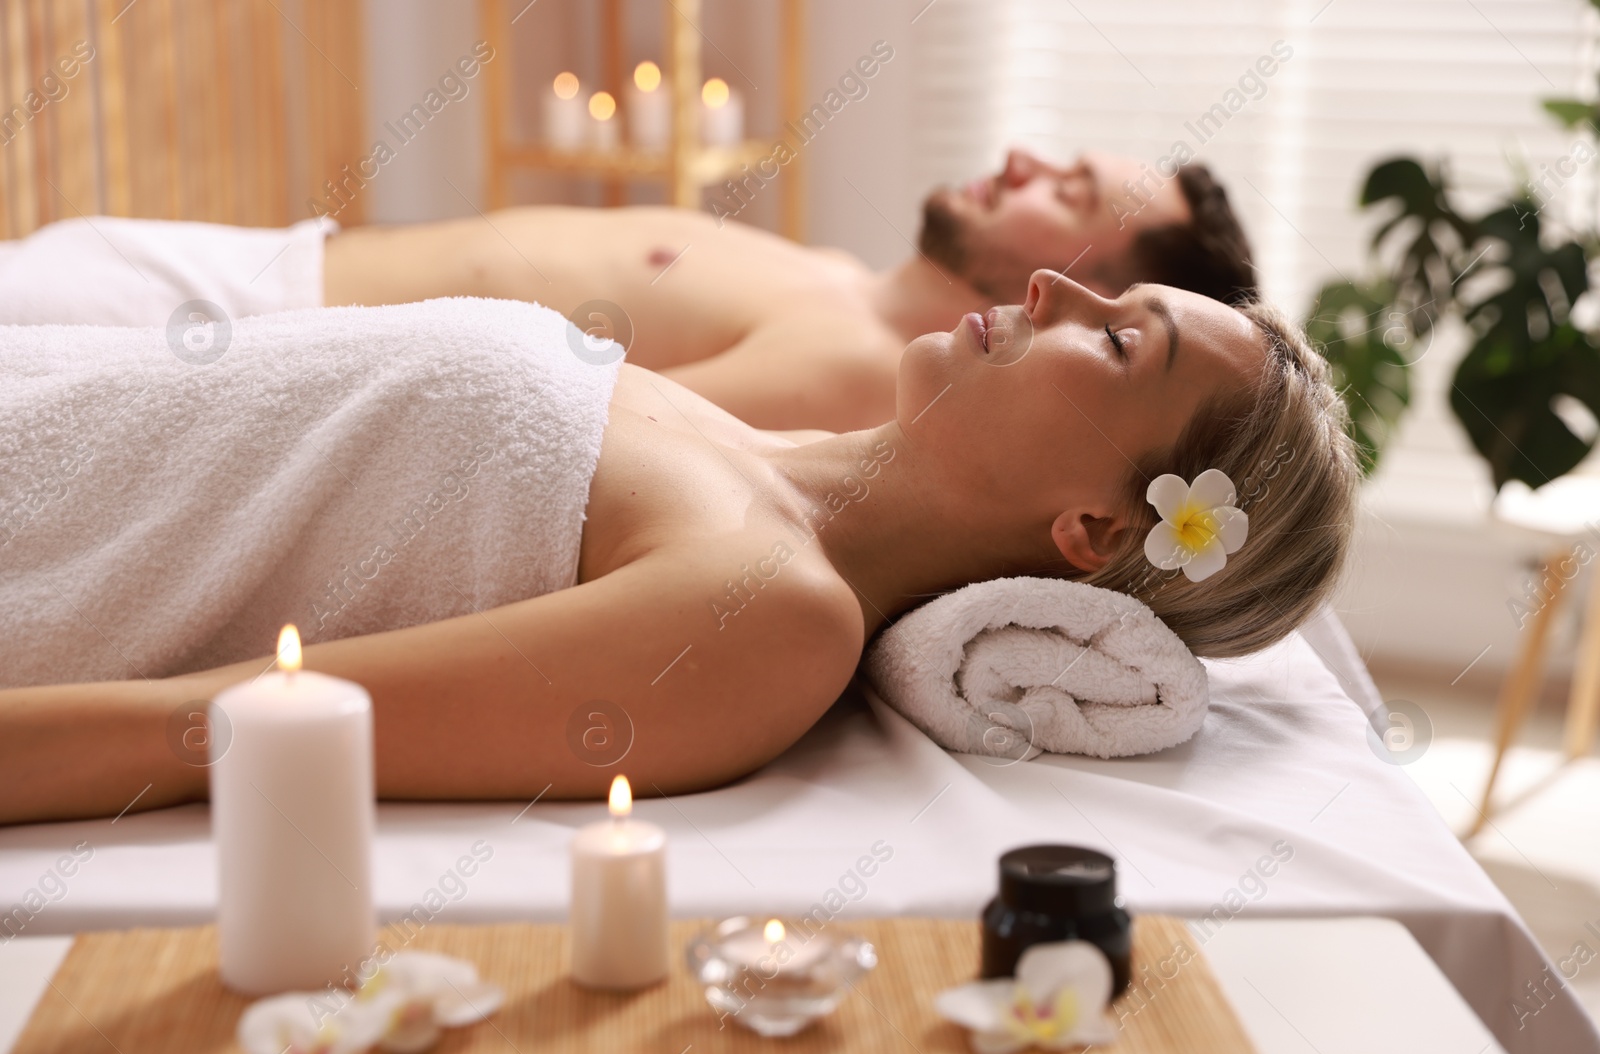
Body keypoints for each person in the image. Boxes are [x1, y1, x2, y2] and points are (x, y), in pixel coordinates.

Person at [0, 271, 1354, 826]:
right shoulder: (752, 446)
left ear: (1100, 528)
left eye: (1116, 339)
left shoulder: (771, 615)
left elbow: (208, 732)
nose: (1059, 281)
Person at [0, 150, 1257, 432]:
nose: (1029, 160)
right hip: (239, 267)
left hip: (229, 344)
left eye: (1074, 190)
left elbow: (566, 431)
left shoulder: (849, 363)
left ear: (1081, 280)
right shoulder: (832, 278)